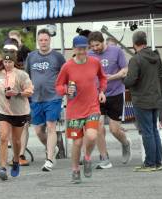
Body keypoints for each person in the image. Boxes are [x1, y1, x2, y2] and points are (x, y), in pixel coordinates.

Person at [56, 35, 107, 184]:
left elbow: (103, 78)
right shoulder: (67, 66)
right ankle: (75, 170)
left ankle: (87, 158)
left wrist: (102, 91)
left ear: (88, 48)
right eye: (79, 48)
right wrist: (66, 89)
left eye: (85, 48)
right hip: (74, 111)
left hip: (92, 107)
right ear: (74, 49)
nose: (82, 51)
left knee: (91, 136)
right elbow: (58, 86)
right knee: (77, 143)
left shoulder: (95, 62)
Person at [87, 31, 131, 169]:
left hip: (116, 93)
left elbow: (125, 70)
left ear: (103, 42)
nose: (95, 48)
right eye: (92, 46)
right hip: (97, 95)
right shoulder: (89, 55)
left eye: (97, 45)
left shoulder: (116, 51)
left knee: (114, 129)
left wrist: (109, 78)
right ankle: (104, 158)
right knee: (98, 126)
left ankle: (125, 143)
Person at [0, 51, 33, 181]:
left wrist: (17, 93)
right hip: (3, 110)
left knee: (16, 140)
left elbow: (30, 91)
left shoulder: (22, 74)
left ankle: (16, 159)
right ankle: (2, 167)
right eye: (5, 62)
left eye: (10, 62)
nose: (7, 64)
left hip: (19, 111)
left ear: (14, 62)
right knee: (3, 138)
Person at [26, 28, 66, 172]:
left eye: (46, 40)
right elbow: (27, 76)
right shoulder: (31, 56)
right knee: (38, 130)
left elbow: (65, 74)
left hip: (53, 97)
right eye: (41, 40)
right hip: (36, 98)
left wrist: (64, 90)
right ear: (38, 41)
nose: (43, 42)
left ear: (50, 40)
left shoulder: (57, 57)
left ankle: (49, 159)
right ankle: (52, 148)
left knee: (50, 127)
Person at [124, 31, 162, 172]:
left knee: (147, 132)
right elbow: (161, 77)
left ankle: (150, 163)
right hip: (155, 98)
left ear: (134, 43)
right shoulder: (156, 56)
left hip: (141, 99)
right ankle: (158, 162)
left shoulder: (136, 59)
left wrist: (124, 77)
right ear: (145, 42)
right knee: (154, 130)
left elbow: (131, 80)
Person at [8, 30, 32, 166]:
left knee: (25, 125)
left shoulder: (27, 52)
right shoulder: (5, 57)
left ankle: (21, 154)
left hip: (24, 93)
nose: (13, 44)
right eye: (10, 41)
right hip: (9, 97)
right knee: (12, 126)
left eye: (15, 41)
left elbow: (29, 72)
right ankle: (15, 154)